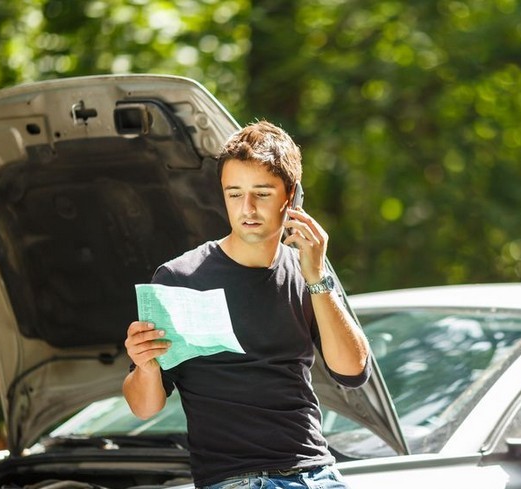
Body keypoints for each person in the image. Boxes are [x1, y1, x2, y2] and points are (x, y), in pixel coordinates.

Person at [122, 120, 371, 489]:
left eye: (262, 193)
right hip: (236, 480)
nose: (247, 208)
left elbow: (353, 372)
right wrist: (144, 367)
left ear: (292, 197)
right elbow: (144, 407)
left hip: (318, 473)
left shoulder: (308, 272)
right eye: (234, 194)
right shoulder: (181, 277)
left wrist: (317, 277)